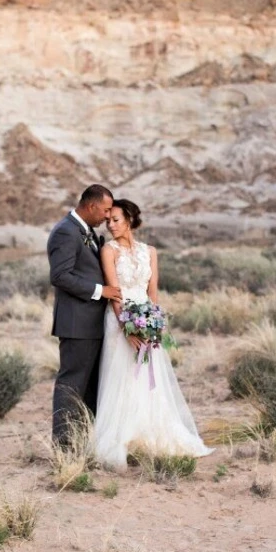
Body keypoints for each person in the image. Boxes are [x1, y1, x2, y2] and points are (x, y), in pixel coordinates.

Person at [94, 199, 212, 468]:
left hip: (145, 318)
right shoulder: (108, 251)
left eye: (116, 220)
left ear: (131, 220)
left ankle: (149, 435)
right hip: (120, 319)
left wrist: (154, 324)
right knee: (122, 376)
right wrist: (127, 329)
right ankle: (123, 438)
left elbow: (153, 291)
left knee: (149, 379)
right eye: (108, 220)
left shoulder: (150, 251)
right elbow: (114, 292)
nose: (110, 225)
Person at [47, 184, 122, 445]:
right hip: (77, 324)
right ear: (91, 206)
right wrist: (101, 291)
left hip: (92, 324)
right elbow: (60, 276)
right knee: (72, 383)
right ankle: (65, 444)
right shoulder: (65, 232)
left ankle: (87, 439)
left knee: (90, 386)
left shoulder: (85, 231)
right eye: (104, 210)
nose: (106, 217)